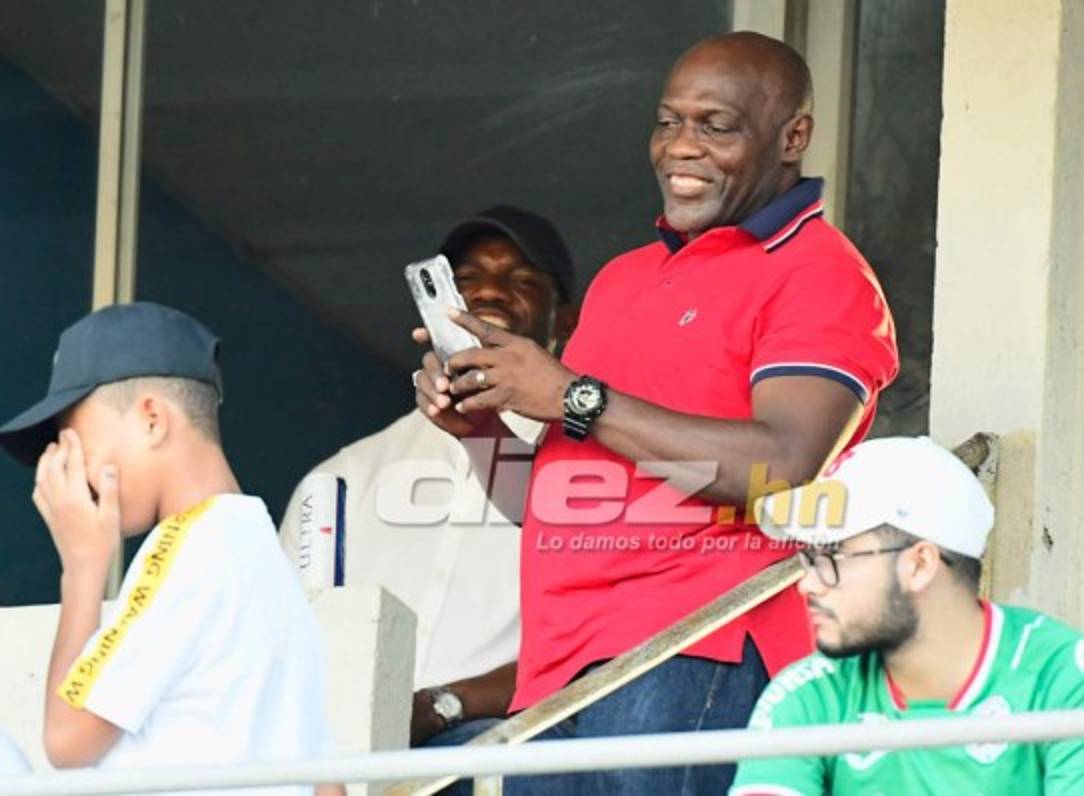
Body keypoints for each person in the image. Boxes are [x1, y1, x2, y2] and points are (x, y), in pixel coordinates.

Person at [413, 32, 898, 793]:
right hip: (556, 667)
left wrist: (572, 396)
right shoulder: (621, 280)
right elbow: (554, 501)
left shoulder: (820, 272)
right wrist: (479, 428)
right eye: (668, 121)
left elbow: (783, 464)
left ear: (793, 136)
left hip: (694, 648)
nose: (681, 146)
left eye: (716, 125)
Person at [0, 302, 343, 796]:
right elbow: (328, 784)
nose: (77, 478)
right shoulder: (263, 556)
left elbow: (67, 742)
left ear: (152, 419)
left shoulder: (188, 546)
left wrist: (81, 569)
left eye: (79, 448)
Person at [281, 206, 576, 750]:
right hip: (342, 754)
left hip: (498, 749)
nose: (490, 292)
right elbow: (285, 639)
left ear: (564, 322)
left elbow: (592, 649)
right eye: (465, 279)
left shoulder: (584, 475)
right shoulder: (347, 476)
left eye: (522, 281)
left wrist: (444, 704)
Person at [730, 436, 1084, 795]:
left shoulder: (1064, 673)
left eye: (831, 556)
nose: (807, 584)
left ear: (921, 565)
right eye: (808, 558)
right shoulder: (807, 691)